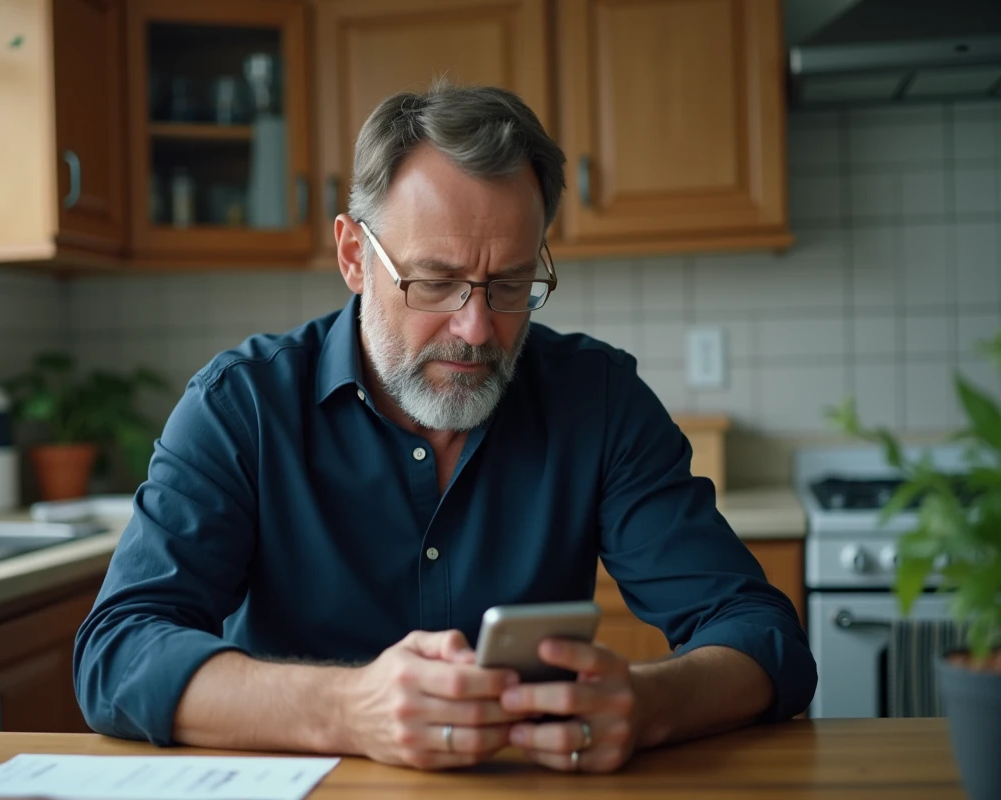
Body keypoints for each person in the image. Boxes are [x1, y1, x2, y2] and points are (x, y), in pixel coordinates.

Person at [73, 81, 816, 773]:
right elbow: (117, 652)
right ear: (354, 255)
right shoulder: (242, 408)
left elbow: (763, 636)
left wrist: (649, 705)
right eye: (435, 281)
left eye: (512, 285)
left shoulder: (600, 402)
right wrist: (346, 710)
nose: (477, 327)